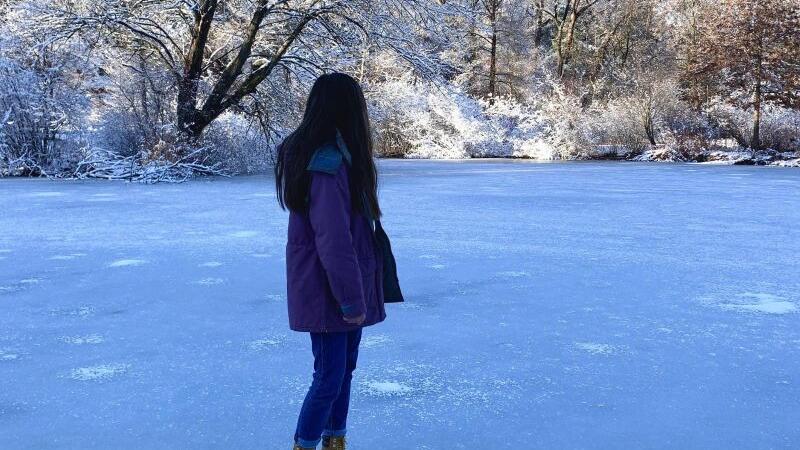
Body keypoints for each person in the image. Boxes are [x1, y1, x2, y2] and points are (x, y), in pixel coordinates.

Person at [275, 72, 387, 450]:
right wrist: (352, 299)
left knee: (342, 373)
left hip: (340, 286)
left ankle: (335, 441)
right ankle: (305, 444)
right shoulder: (327, 163)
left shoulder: (341, 157)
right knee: (329, 376)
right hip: (329, 291)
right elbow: (333, 240)